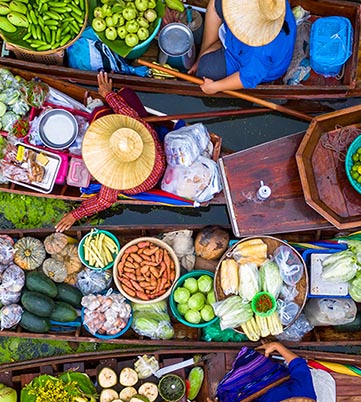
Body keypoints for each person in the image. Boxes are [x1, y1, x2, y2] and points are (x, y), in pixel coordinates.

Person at [55, 72, 165, 232]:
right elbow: (127, 111)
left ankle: (102, 111)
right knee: (125, 95)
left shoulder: (115, 177)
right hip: (155, 159)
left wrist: (75, 215)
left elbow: (104, 201)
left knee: (97, 114)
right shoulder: (142, 132)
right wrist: (107, 93)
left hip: (143, 180)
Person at [188, 0, 296, 94]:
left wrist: (214, 87)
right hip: (239, 44)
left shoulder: (260, 50)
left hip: (247, 62)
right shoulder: (268, 4)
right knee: (217, 3)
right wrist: (201, 54)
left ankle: (217, 46)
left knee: (205, 69)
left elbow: (247, 78)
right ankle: (213, 47)